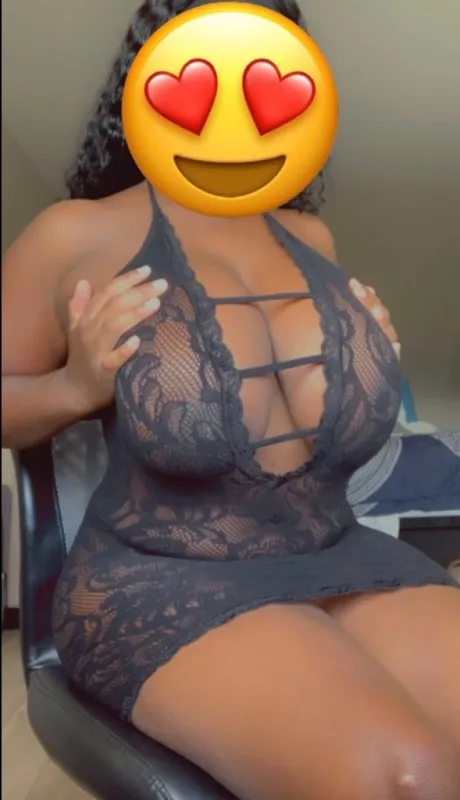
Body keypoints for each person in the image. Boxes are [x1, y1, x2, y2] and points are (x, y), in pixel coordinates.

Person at [2, 1, 459, 797]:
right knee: (407, 777)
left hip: (339, 549)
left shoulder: (310, 240)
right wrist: (76, 385)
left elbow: (340, 433)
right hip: (161, 578)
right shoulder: (74, 234)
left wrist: (366, 361)